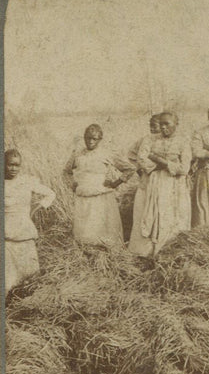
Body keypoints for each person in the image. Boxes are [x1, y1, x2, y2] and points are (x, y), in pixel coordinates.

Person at [129, 112, 192, 256]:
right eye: (161, 124)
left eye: (167, 124)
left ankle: (169, 251)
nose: (164, 127)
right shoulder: (149, 140)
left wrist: (159, 160)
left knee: (172, 215)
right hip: (154, 183)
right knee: (152, 214)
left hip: (174, 186)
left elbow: (184, 168)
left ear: (176, 124)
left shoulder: (183, 142)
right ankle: (147, 253)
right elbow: (141, 159)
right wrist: (166, 165)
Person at [64, 124, 135, 247]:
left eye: (94, 139)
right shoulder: (77, 154)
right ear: (84, 138)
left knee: (102, 230)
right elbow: (66, 171)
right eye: (88, 138)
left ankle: (107, 253)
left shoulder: (107, 153)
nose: (90, 141)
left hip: (101, 195)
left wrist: (115, 183)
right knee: (85, 232)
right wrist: (73, 184)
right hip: (83, 196)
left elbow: (130, 168)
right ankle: (86, 253)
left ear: (100, 139)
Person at [4, 149, 55, 292]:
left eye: (17, 165)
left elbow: (50, 194)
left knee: (29, 276)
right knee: (8, 278)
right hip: (7, 235)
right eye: (10, 165)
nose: (14, 168)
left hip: (25, 232)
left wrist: (38, 207)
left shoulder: (26, 181)